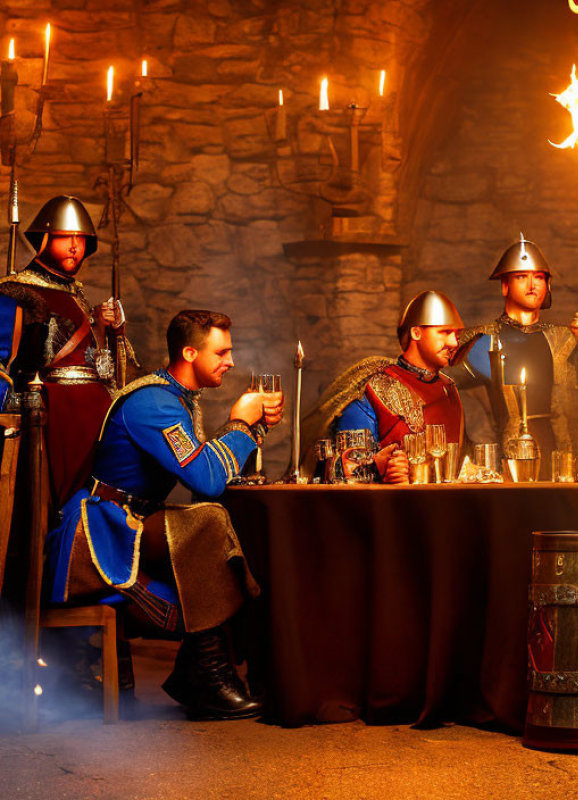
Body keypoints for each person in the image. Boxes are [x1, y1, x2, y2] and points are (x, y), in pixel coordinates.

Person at [45, 310, 284, 719]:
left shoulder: (177, 398)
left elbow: (201, 472)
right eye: (222, 351)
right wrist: (242, 425)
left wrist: (253, 429)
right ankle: (205, 674)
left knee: (223, 525)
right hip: (102, 531)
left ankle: (204, 672)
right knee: (208, 521)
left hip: (135, 520)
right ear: (190, 352)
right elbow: (205, 480)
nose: (230, 360)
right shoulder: (153, 404)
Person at [0, 195, 132, 504]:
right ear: (44, 239)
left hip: (95, 419)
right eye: (64, 237)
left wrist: (103, 329)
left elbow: (98, 368)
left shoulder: (78, 295)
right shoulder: (15, 291)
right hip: (51, 418)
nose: (74, 246)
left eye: (80, 238)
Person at [453, 236, 578, 478]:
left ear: (548, 285)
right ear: (505, 285)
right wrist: (471, 441)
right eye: (521, 277)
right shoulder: (485, 341)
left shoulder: (565, 340)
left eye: (539, 277)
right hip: (508, 458)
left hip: (561, 457)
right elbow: (440, 385)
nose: (532, 284)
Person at [301, 290, 465, 484]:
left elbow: (463, 461)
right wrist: (379, 467)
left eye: (456, 334)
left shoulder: (449, 388)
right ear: (416, 332)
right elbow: (342, 472)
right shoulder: (376, 386)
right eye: (444, 332)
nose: (454, 343)